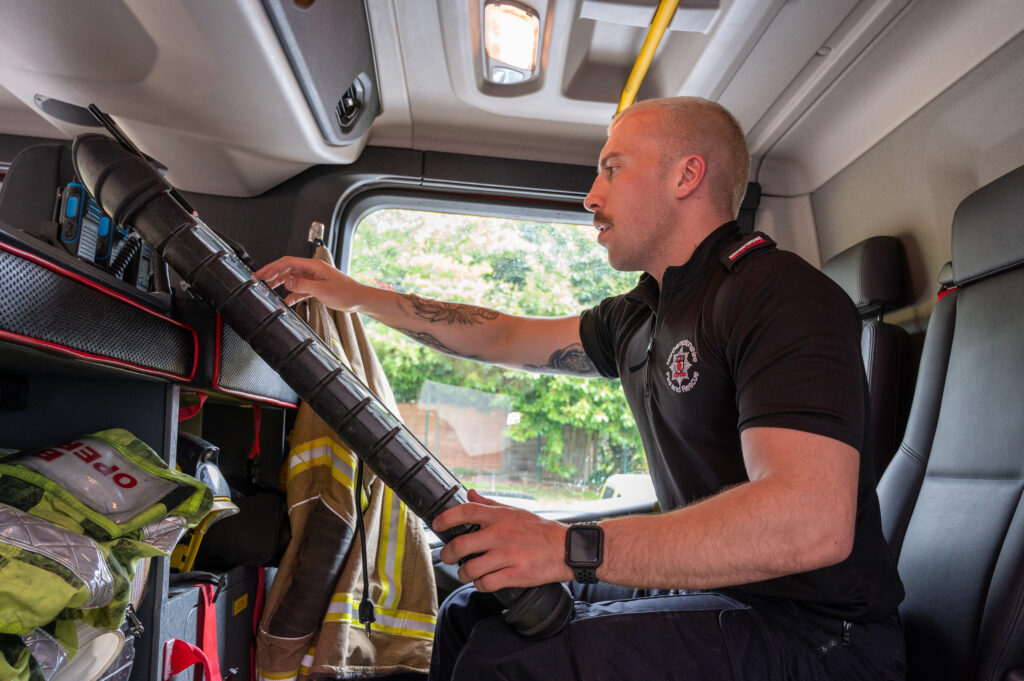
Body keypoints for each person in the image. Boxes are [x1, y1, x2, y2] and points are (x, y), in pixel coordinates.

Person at [256, 97, 906, 680]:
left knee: (507, 662)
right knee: (470, 612)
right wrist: (354, 294)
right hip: (728, 597)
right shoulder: (642, 314)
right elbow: (502, 336)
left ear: (686, 174)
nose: (591, 196)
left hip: (823, 638)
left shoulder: (776, 293)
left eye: (613, 169)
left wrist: (567, 547)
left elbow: (808, 524)